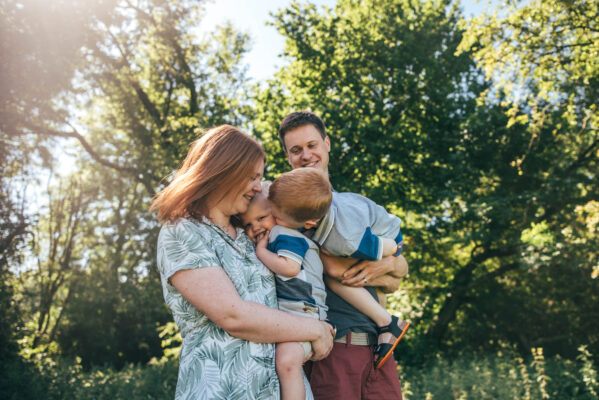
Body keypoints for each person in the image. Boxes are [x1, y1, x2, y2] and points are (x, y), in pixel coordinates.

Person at [150, 125, 334, 399]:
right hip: (222, 388)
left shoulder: (254, 233)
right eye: (252, 177)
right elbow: (233, 315)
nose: (258, 187)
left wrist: (385, 262)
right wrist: (315, 330)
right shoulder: (183, 231)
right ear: (225, 171)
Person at [278, 111, 408, 399]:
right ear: (287, 157)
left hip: (379, 349)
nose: (306, 155)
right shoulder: (288, 210)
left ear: (327, 144)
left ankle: (388, 322)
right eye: (296, 150)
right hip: (334, 352)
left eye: (312, 145)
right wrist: (379, 268)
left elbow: (398, 277)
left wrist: (388, 264)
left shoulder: (353, 206)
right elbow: (336, 269)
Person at [240, 174, 331, 400]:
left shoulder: (284, 234)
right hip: (297, 313)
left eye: (262, 217)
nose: (256, 228)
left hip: (304, 312)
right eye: (248, 225)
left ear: (278, 214)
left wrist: (260, 252)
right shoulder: (277, 236)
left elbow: (290, 268)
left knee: (287, 362)